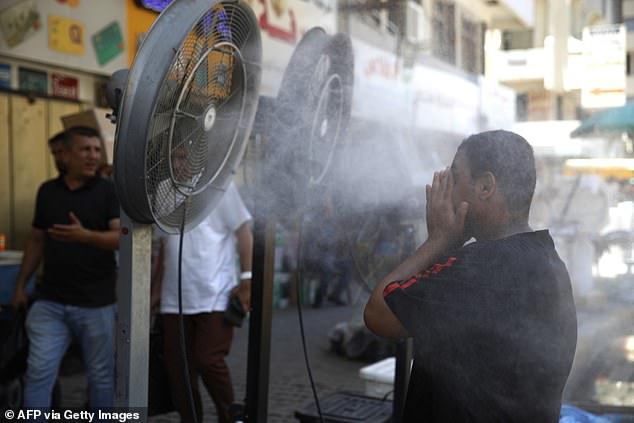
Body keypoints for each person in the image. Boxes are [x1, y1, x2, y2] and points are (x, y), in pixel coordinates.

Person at [364, 130, 577, 422]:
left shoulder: (478, 267)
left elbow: (378, 314)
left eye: (454, 178)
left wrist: (439, 240)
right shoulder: (549, 260)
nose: (445, 190)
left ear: (485, 186)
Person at [11, 126, 120, 409]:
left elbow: (121, 239)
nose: (93, 156)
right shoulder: (47, 191)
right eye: (85, 149)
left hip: (96, 304)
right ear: (66, 155)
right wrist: (22, 286)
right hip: (51, 303)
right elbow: (36, 240)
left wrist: (87, 237)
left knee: (101, 377)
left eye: (97, 150)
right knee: (38, 373)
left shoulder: (109, 192)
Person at [152, 181, 253, 423]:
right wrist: (155, 291)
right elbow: (166, 245)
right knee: (179, 372)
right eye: (175, 154)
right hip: (173, 297)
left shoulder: (220, 184)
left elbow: (243, 231)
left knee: (208, 359)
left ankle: (229, 415)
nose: (180, 159)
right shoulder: (163, 190)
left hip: (214, 293)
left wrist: (247, 280)